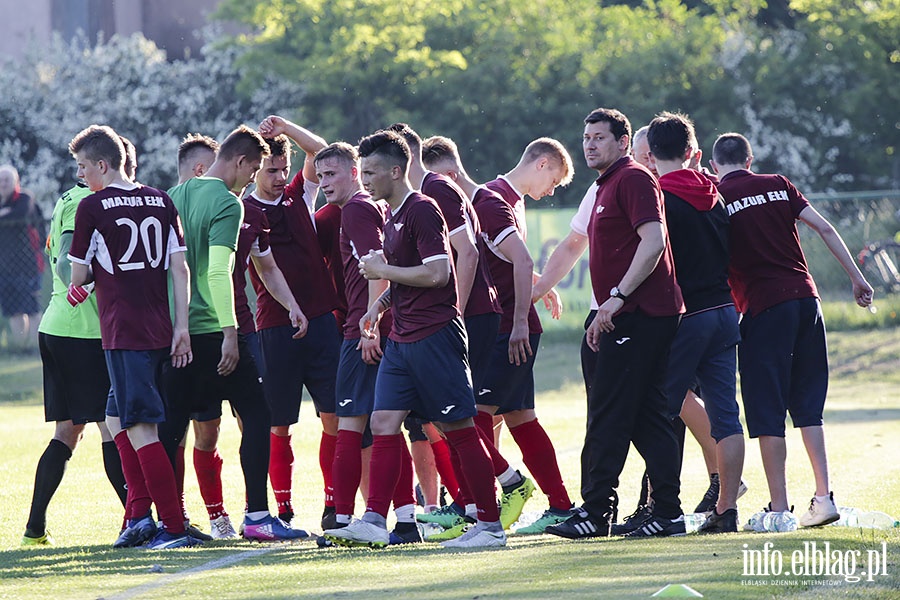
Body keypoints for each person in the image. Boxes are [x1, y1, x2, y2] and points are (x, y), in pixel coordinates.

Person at [324, 130, 504, 549]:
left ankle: (490, 526)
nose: (363, 179)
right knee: (384, 422)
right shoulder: (391, 213)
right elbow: (408, 276)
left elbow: (438, 273)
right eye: (361, 171)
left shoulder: (422, 209)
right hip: (402, 339)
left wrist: (384, 273)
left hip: (435, 335)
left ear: (395, 169)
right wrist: (379, 305)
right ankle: (372, 520)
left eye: (369, 171)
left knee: (458, 426)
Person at [711, 132, 874, 530]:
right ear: (749, 161)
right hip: (807, 299)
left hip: (764, 308)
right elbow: (826, 228)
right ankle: (824, 498)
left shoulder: (715, 195)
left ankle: (779, 508)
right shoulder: (778, 184)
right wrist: (857, 278)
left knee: (767, 409)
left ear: (716, 164)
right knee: (807, 406)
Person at [422, 135, 577, 535]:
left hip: (509, 328)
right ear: (541, 163)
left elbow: (518, 261)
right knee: (517, 418)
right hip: (509, 326)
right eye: (555, 181)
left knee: (467, 420)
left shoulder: (495, 201)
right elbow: (513, 262)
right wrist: (527, 307)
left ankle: (478, 502)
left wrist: (524, 314)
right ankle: (555, 505)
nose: (552, 191)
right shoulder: (497, 199)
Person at [161, 125, 310, 542]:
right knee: (259, 416)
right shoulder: (229, 203)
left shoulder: (174, 196)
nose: (253, 178)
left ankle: (169, 522)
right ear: (242, 162)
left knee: (172, 427)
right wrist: (230, 332)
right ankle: (259, 517)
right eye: (255, 168)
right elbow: (216, 271)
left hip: (179, 333)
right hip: (216, 329)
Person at [546, 107, 686, 540]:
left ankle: (595, 513)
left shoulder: (633, 178)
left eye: (599, 138)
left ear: (624, 142)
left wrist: (616, 299)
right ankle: (668, 512)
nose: (589, 144)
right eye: (586, 137)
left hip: (639, 316)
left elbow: (654, 242)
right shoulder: (606, 183)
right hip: (628, 315)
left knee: (608, 413)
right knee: (646, 418)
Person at [66, 124, 197, 549]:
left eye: (84, 167)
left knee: (141, 428)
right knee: (115, 417)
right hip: (160, 328)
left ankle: (173, 527)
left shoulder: (93, 207)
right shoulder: (161, 200)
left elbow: (80, 273)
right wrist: (182, 328)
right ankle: (138, 515)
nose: (81, 176)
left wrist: (83, 282)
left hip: (125, 331)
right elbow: (179, 268)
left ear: (103, 164)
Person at [386, 123, 495, 528]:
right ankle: (466, 508)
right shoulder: (408, 202)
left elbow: (464, 254)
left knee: (458, 421)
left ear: (402, 160)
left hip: (462, 316)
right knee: (423, 421)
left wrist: (456, 312)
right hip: (432, 322)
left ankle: (491, 502)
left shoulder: (435, 192)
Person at [313, 141, 421, 544]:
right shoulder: (373, 207)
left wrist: (368, 324)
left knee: (350, 429)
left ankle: (342, 521)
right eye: (320, 176)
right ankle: (407, 519)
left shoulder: (358, 208)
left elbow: (377, 265)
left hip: (363, 333)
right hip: (387, 328)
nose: (324, 183)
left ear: (355, 172)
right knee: (388, 429)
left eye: (332, 174)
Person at [643, 112, 745, 534]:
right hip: (724, 311)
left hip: (687, 315)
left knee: (659, 406)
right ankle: (726, 508)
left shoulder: (658, 197)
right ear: (692, 152)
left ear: (650, 154)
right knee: (727, 416)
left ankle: (660, 506)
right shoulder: (715, 192)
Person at [21, 169, 130, 545]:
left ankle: (34, 529)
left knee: (68, 432)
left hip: (58, 327)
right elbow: (69, 258)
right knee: (110, 426)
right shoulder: (87, 202)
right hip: (82, 332)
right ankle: (136, 522)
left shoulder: (71, 198)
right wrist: (91, 280)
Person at [245, 115, 339, 528]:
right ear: (253, 170)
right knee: (278, 424)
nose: (282, 176)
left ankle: (334, 504)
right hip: (274, 326)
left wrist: (285, 128)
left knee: (336, 417)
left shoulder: (299, 196)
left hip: (321, 320)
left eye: (284, 169)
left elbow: (320, 151)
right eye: (272, 170)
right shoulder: (242, 210)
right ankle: (281, 508)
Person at [0, 164, 44, 351]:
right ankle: (20, 346)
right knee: (14, 310)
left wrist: (5, 214)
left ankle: (35, 346)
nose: (3, 183)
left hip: (29, 265)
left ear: (16, 181)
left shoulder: (25, 198)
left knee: (31, 308)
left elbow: (21, 213)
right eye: (1, 180)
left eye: (7, 180)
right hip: (5, 266)